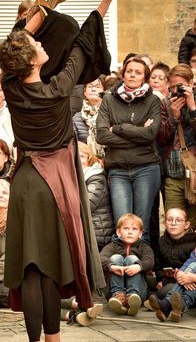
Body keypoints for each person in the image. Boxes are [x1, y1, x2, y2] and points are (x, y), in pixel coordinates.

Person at [0, 0, 113, 341]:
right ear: (31, 58)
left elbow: (18, 36)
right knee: (47, 266)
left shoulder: (10, 85)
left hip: (26, 180)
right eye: (35, 46)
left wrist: (51, 0)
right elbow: (84, 41)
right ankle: (53, 337)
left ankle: (41, 341)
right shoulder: (59, 86)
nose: (39, 43)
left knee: (31, 267)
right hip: (54, 181)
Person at [95, 57, 161, 244]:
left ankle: (141, 269)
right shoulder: (108, 99)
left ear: (145, 77)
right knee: (122, 226)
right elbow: (101, 135)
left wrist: (118, 128)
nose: (132, 75)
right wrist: (139, 135)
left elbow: (151, 135)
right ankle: (121, 267)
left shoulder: (153, 101)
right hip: (118, 170)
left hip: (146, 169)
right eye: (129, 71)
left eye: (138, 72)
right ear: (123, 74)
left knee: (142, 226)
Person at [157, 64, 196, 224]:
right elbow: (161, 139)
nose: (177, 90)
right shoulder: (165, 104)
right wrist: (173, 118)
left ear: (190, 83)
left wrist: (193, 108)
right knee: (173, 222)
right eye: (173, 86)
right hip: (173, 173)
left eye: (181, 86)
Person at [99, 214, 154, 316]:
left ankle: (132, 297)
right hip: (113, 291)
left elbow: (150, 261)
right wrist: (112, 267)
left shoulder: (144, 247)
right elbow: (101, 259)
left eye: (134, 229)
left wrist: (138, 267)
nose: (130, 232)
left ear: (140, 233)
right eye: (126, 228)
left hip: (139, 291)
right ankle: (118, 296)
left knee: (132, 259)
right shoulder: (112, 246)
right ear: (118, 232)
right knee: (115, 258)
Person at [152, 208, 196, 299]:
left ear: (186, 225)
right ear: (164, 223)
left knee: (165, 291)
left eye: (178, 220)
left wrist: (164, 282)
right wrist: (160, 280)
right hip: (166, 278)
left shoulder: (194, 243)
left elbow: (193, 269)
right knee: (146, 280)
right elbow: (158, 266)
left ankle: (156, 299)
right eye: (169, 220)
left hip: (185, 281)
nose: (173, 223)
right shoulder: (161, 241)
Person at [77, 142, 113, 250]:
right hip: (87, 233)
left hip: (98, 234)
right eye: (76, 156)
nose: (79, 159)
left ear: (89, 159)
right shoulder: (75, 177)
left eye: (82, 156)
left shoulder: (96, 178)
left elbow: (85, 205)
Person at [72, 76, 106, 159]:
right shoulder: (77, 118)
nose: (93, 89)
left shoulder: (109, 115)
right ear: (84, 92)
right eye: (90, 86)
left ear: (103, 91)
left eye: (97, 87)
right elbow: (74, 143)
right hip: (85, 161)